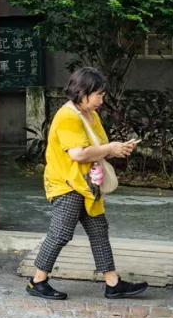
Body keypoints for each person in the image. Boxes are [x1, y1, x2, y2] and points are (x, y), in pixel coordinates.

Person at [27, 67, 149, 301]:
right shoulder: (68, 116)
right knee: (61, 233)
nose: (102, 100)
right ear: (83, 92)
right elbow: (79, 154)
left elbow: (97, 149)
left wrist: (118, 148)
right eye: (99, 95)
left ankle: (113, 283)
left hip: (86, 183)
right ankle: (37, 281)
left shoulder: (90, 115)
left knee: (98, 231)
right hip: (67, 183)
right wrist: (110, 148)